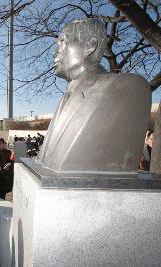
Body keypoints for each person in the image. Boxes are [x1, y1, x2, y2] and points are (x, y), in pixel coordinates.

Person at [38, 18, 151, 173]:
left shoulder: (127, 87)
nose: (55, 51)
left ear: (90, 46)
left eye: (63, 42)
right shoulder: (67, 96)